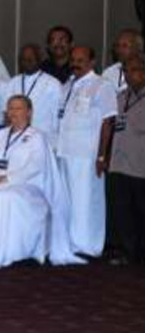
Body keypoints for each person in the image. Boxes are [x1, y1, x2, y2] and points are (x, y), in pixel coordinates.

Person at [0, 96, 84, 269]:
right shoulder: (0, 135)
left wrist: (6, 179)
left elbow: (34, 166)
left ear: (29, 112)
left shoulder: (37, 137)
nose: (13, 112)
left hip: (27, 186)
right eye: (10, 108)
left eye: (18, 108)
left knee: (5, 198)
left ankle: (11, 251)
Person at [57, 46, 117, 257]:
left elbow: (108, 122)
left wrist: (102, 155)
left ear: (92, 62)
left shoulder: (101, 85)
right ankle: (71, 243)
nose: (75, 63)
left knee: (86, 200)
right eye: (73, 59)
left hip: (86, 154)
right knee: (69, 200)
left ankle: (88, 245)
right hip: (65, 151)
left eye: (81, 60)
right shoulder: (68, 85)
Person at [108, 56, 145, 264]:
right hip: (119, 162)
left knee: (141, 209)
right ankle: (127, 251)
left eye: (135, 70)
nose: (130, 75)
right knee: (122, 210)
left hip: (140, 164)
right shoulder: (121, 97)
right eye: (127, 71)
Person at [5, 44, 63, 147]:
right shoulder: (13, 82)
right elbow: (7, 113)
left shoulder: (52, 83)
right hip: (16, 137)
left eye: (31, 59)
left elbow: (57, 117)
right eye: (24, 59)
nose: (27, 62)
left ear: (39, 60)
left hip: (44, 137)